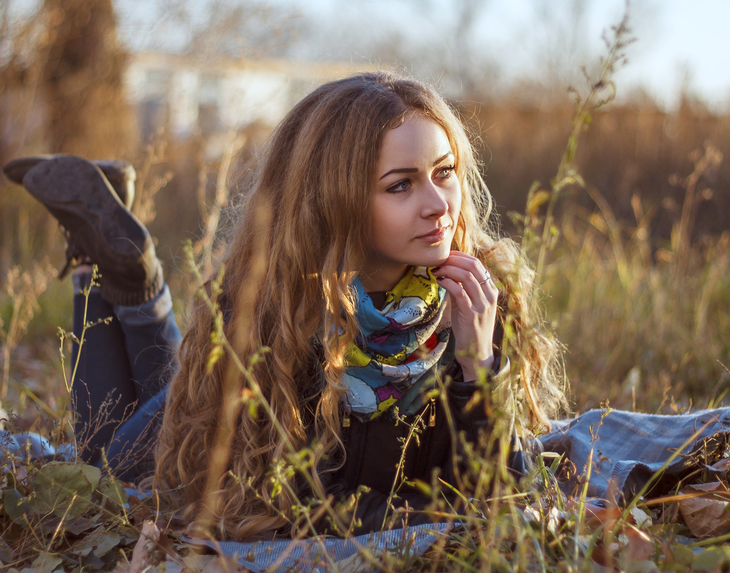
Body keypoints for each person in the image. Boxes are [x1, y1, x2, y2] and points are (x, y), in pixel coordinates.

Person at [4, 73, 565, 539]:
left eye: (445, 173)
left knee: (165, 397)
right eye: (400, 186)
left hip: (198, 400)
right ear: (332, 199)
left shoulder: (480, 296)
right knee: (103, 467)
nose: (438, 204)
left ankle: (116, 262)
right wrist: (437, 519)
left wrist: (479, 370)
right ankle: (113, 269)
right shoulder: (286, 310)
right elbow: (297, 502)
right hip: (202, 442)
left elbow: (504, 493)